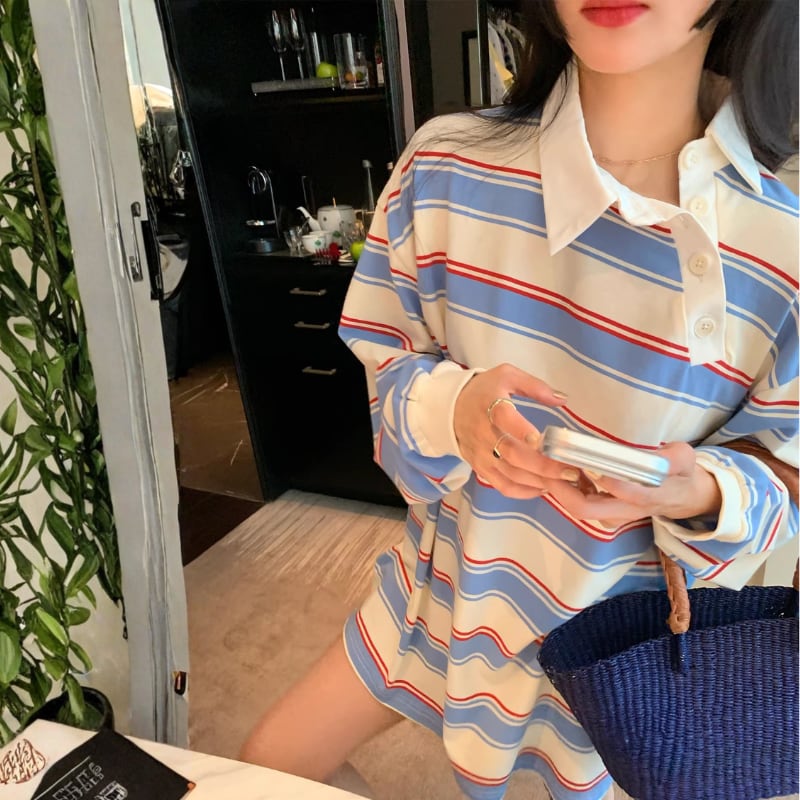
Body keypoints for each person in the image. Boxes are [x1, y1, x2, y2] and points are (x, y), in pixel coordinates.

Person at [240, 1, 799, 798]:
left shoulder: (782, 241)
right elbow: (386, 377)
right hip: (442, 597)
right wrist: (454, 411)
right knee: (267, 767)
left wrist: (700, 490)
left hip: (621, 656)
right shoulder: (444, 166)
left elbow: (786, 481)